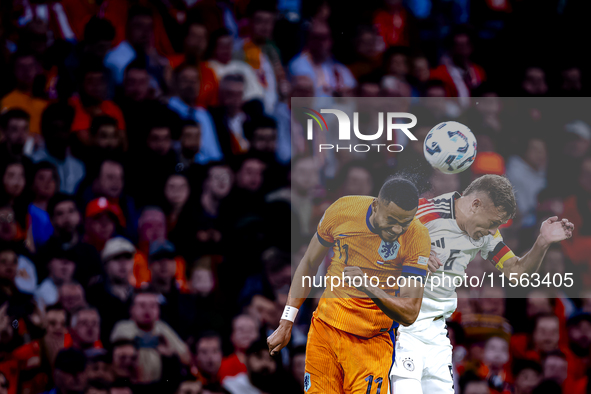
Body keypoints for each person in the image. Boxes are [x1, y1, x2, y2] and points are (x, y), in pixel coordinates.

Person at [390, 174, 574, 394]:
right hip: (402, 326)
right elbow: (374, 248)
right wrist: (410, 251)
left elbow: (516, 272)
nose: (491, 231)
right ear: (475, 205)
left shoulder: (487, 235)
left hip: (437, 332)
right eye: (492, 223)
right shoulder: (423, 213)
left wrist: (542, 242)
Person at [267, 177, 430, 393]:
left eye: (405, 222)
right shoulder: (343, 210)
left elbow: (409, 312)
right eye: (391, 220)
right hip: (325, 331)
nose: (397, 229)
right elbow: (308, 263)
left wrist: (368, 286)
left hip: (372, 342)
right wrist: (287, 321)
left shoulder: (417, 236)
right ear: (375, 206)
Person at [110, 287, 191, 383]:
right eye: (142, 305)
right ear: (132, 309)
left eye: (152, 306)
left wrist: (170, 354)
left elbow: (186, 357)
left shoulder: (163, 328)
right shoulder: (123, 328)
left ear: (158, 310)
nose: (147, 310)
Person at [87, 237, 136, 346]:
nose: (123, 264)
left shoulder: (139, 294)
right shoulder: (94, 295)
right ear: (105, 264)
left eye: (127, 258)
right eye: (117, 258)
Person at [31, 103, 86, 195]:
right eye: (54, 129)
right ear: (44, 130)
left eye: (64, 129)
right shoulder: (34, 162)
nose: (59, 136)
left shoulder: (79, 168)